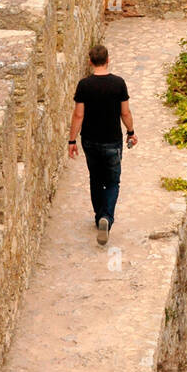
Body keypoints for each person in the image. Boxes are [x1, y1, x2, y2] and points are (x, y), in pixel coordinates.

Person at [68, 45, 137, 246]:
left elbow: (78, 115)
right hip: (112, 141)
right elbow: (125, 112)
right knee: (113, 182)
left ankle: (99, 217)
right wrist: (131, 132)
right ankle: (107, 216)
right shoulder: (119, 84)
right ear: (108, 59)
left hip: (90, 140)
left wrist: (72, 140)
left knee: (96, 179)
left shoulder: (84, 85)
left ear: (90, 61)